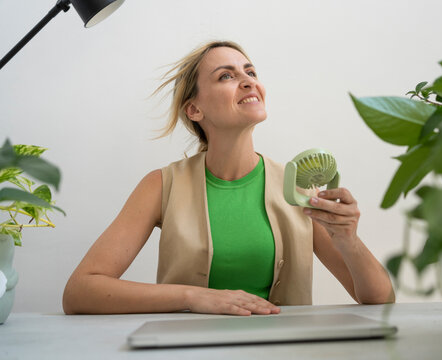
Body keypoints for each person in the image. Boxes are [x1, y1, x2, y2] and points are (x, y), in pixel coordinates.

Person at [62, 41, 395, 316]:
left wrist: (347, 238)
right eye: (226, 76)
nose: (248, 80)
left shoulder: (297, 188)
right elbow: (81, 291)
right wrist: (192, 297)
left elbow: (379, 299)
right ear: (194, 110)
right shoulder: (161, 185)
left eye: (250, 72)